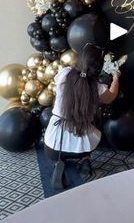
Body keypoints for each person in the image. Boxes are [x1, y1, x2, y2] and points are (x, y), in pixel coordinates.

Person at [44, 43, 120, 187]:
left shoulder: (64, 73)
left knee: (56, 150)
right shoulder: (96, 86)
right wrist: (116, 78)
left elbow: (64, 81)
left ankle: (59, 162)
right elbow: (110, 97)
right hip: (82, 147)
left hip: (53, 146)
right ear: (99, 66)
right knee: (94, 124)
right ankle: (85, 159)